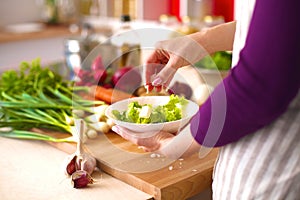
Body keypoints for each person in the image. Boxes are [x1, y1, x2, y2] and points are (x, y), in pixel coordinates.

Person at [112, 0, 300, 199]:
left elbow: (258, 86)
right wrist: (201, 41)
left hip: (274, 173)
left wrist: (174, 145)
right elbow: (275, 29)